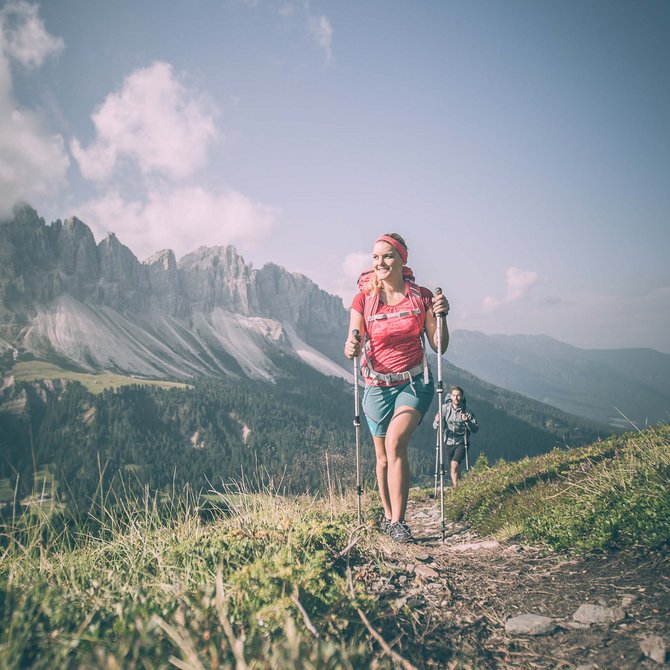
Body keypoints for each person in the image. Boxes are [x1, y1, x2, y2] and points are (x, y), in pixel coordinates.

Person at [344, 233, 449, 543]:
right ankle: (389, 517)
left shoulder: (422, 297)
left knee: (395, 443)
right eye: (376, 257)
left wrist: (442, 316)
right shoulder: (363, 299)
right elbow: (352, 341)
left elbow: (439, 344)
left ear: (403, 260)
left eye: (388, 256)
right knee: (382, 458)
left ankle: (400, 521)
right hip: (376, 385)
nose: (380, 262)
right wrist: (351, 345)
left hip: (414, 382)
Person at [433, 386, 479, 487]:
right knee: (453, 468)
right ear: (451, 396)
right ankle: (460, 486)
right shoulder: (445, 408)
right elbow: (435, 426)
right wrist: (437, 421)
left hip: (461, 442)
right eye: (454, 395)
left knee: (454, 466)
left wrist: (467, 421)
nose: (456, 398)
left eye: (458, 395)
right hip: (448, 442)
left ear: (462, 397)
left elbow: (475, 428)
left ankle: (456, 490)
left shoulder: (467, 411)